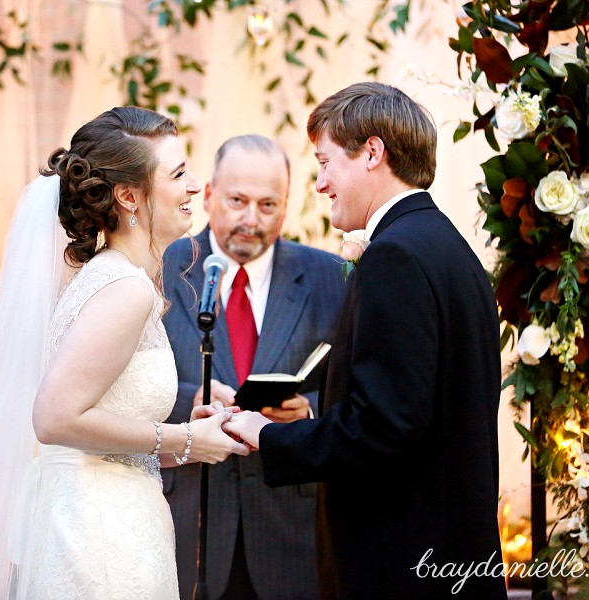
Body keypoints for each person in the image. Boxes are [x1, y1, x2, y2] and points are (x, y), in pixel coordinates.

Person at [0, 107, 249, 600]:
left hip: (102, 515)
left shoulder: (108, 276)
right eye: (179, 173)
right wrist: (184, 439)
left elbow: (101, 432)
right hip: (99, 538)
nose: (194, 186)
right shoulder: (124, 288)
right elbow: (54, 419)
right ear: (128, 195)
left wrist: (192, 436)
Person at [224, 83, 507, 599]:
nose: (320, 183)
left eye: (326, 161)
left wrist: (265, 434)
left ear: (372, 153)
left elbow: (383, 426)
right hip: (451, 555)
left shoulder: (394, 257)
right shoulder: (446, 247)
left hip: (402, 564)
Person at [162, 134, 347, 599]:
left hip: (292, 531)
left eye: (268, 205)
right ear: (207, 196)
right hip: (184, 522)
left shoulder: (333, 277)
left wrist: (307, 412)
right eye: (237, 200)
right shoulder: (160, 268)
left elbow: (358, 394)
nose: (251, 219)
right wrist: (189, 402)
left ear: (287, 207)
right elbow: (120, 383)